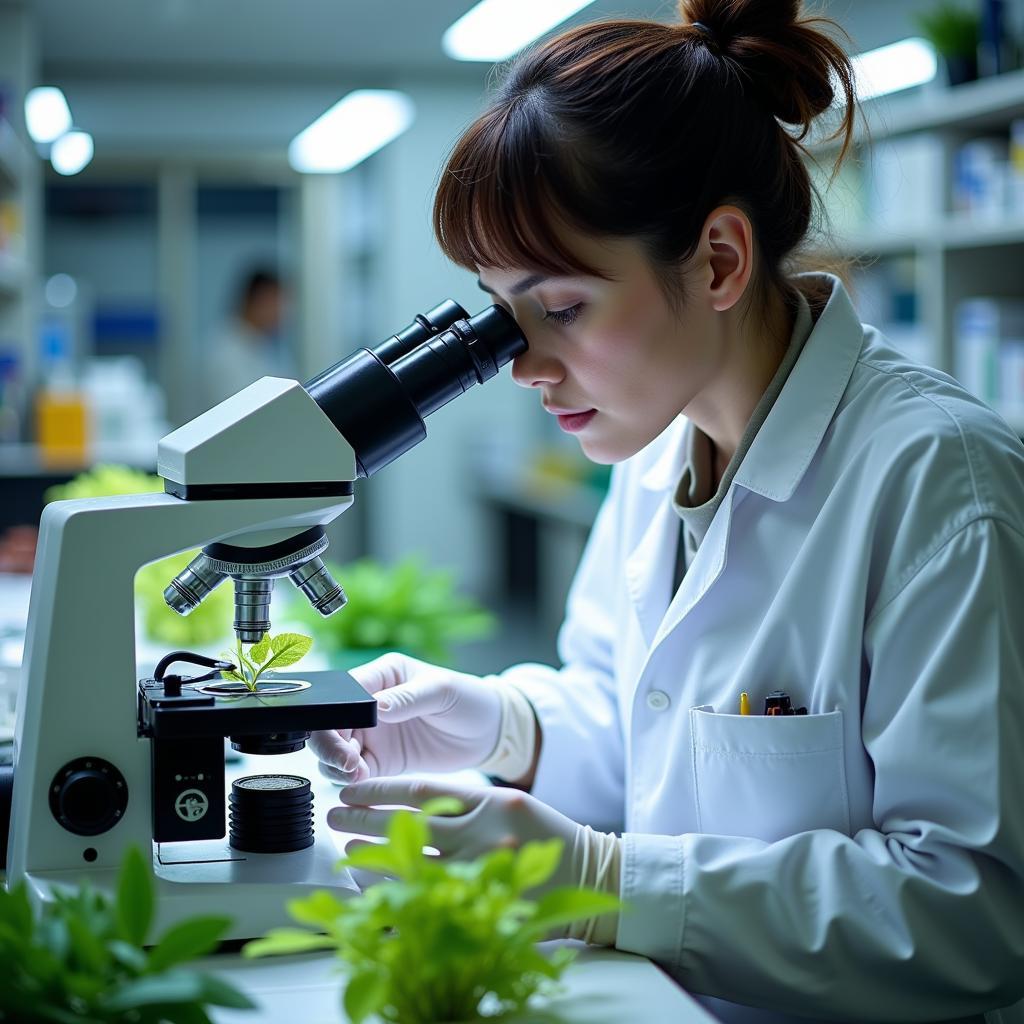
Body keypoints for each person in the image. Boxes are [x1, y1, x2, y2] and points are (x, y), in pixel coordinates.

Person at [310, 1, 1024, 1020]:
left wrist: (603, 878)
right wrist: (502, 724)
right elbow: (642, 727)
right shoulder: (655, 453)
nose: (521, 366)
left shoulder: (935, 483)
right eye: (499, 315)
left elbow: (977, 909)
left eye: (558, 308)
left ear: (719, 262)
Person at [204, 267, 293, 406]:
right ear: (258, 301)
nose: (283, 313)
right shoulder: (226, 352)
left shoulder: (262, 344)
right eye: (277, 303)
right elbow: (238, 411)